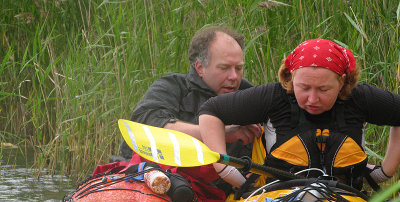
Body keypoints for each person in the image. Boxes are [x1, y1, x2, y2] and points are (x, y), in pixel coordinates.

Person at [198, 38, 400, 190]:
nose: (312, 99)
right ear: (291, 77)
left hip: (346, 201)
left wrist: (385, 171)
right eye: (304, 87)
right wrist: (226, 170)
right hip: (281, 200)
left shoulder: (359, 98)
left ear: (341, 82)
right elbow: (211, 112)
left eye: (323, 90)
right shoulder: (273, 96)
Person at [118, 25, 261, 167]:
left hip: (228, 186)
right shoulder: (171, 87)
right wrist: (220, 133)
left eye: (239, 68)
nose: (234, 76)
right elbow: (147, 127)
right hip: (154, 177)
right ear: (200, 68)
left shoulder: (252, 97)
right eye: (224, 68)